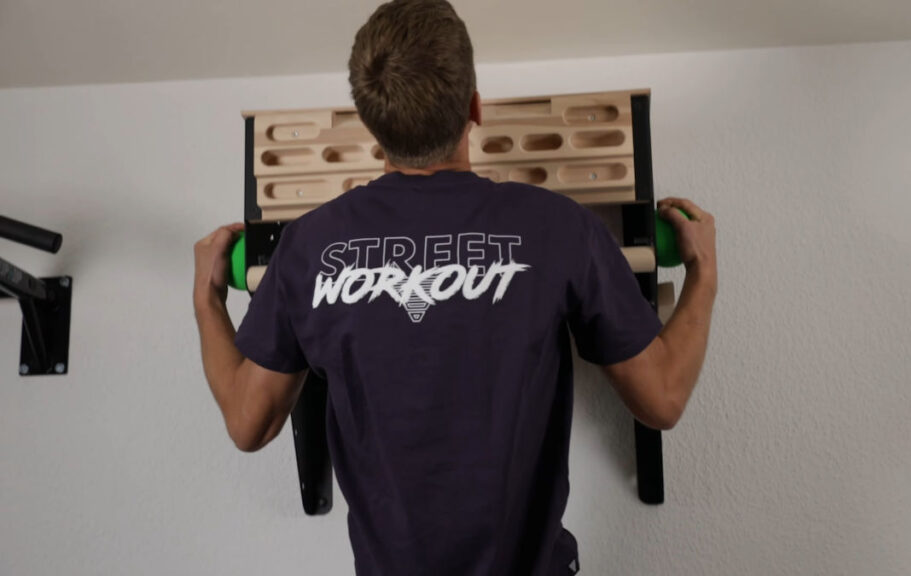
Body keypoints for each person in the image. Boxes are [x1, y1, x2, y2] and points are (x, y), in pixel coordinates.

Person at [192, 0, 717, 573]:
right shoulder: (560, 228)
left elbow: (249, 423)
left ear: (371, 125)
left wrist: (207, 299)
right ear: (474, 106)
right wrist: (703, 276)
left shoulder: (308, 248)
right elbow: (661, 399)